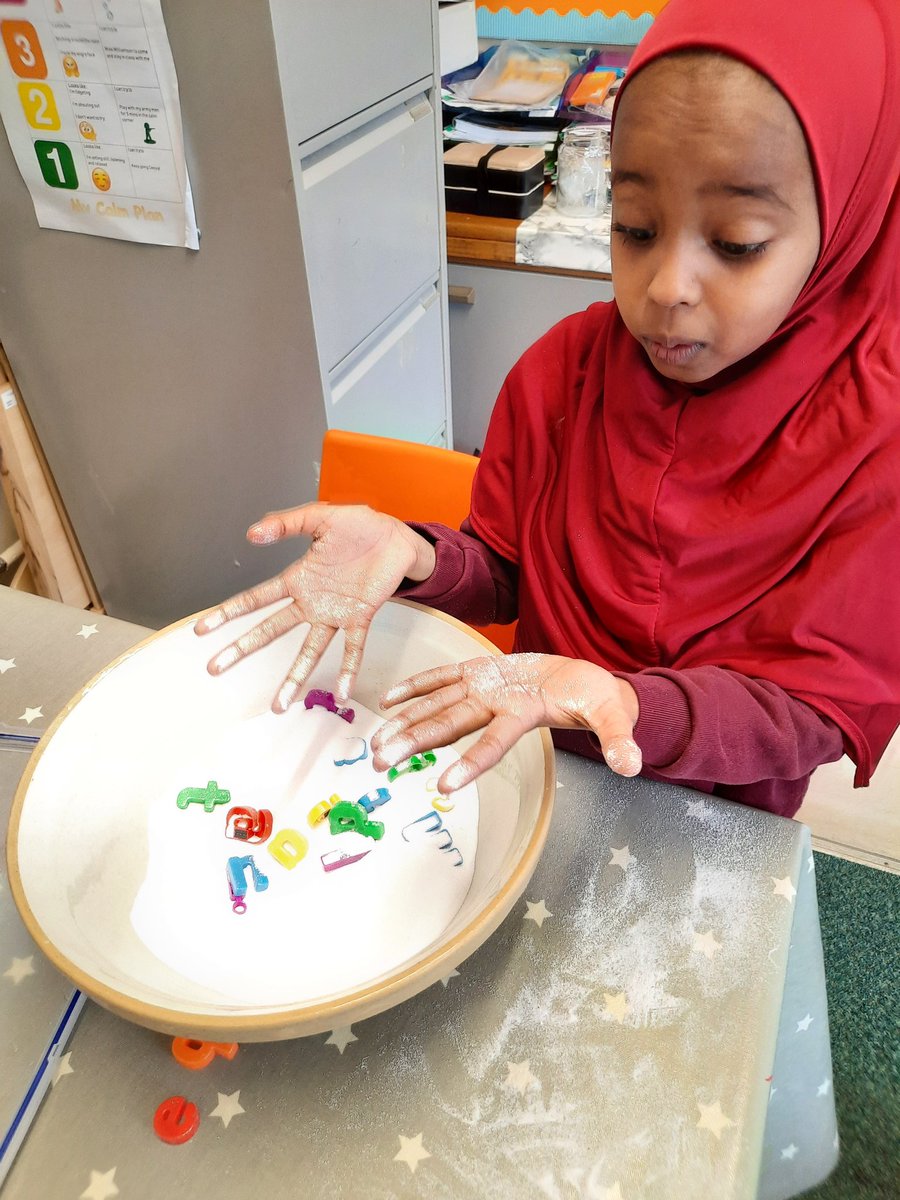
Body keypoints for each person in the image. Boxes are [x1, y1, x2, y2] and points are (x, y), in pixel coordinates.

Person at [196, 0, 899, 818]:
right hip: (533, 765)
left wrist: (629, 704)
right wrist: (414, 554)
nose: (666, 288)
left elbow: (810, 707)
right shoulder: (561, 373)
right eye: (635, 228)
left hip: (714, 816)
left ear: (848, 223)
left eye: (738, 242)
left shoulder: (876, 441)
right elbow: (503, 572)